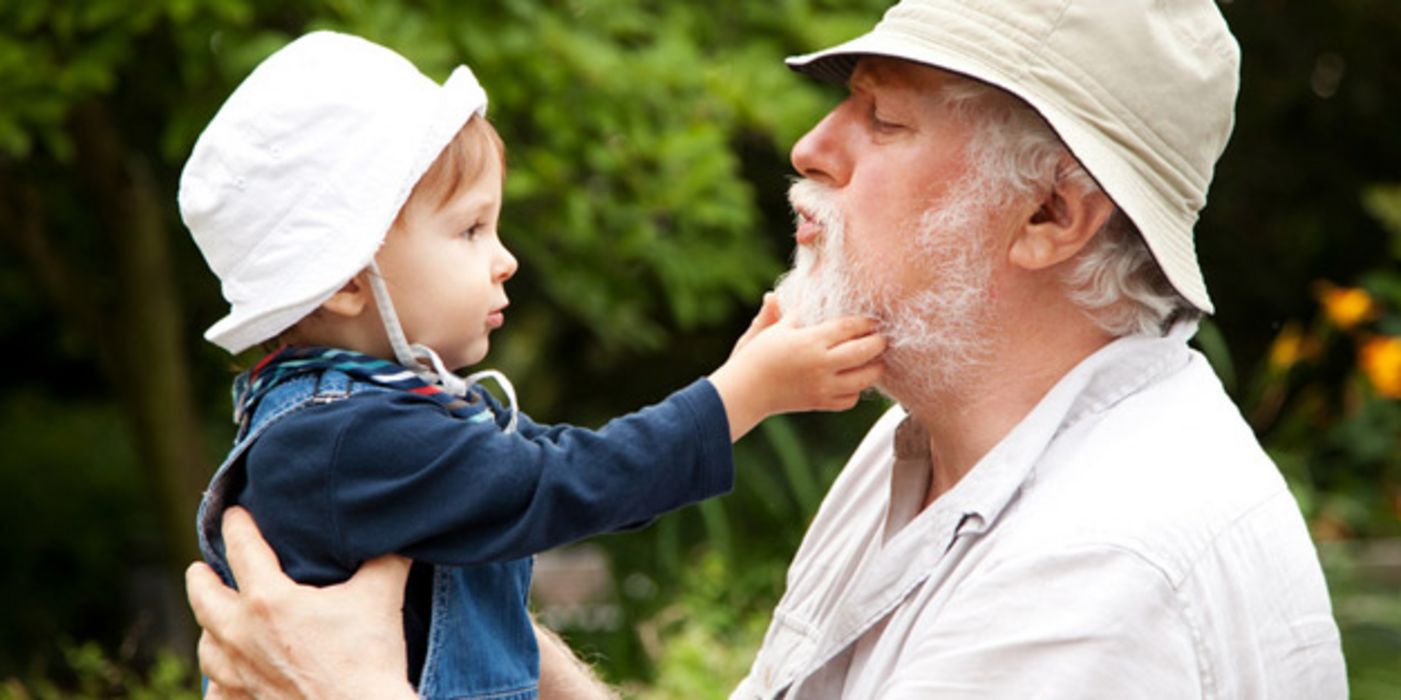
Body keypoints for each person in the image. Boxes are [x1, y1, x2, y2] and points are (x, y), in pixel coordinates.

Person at [186, 1, 1350, 698]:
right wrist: (507, 657)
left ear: (1050, 214)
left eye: (884, 118)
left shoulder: (1103, 579)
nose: (810, 144)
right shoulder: (919, 451)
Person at [179, 31, 886, 700]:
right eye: (469, 230)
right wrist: (742, 395)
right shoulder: (344, 440)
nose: (504, 258)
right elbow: (564, 482)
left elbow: (561, 466)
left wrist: (735, 379)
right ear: (346, 282)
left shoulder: (384, 414)